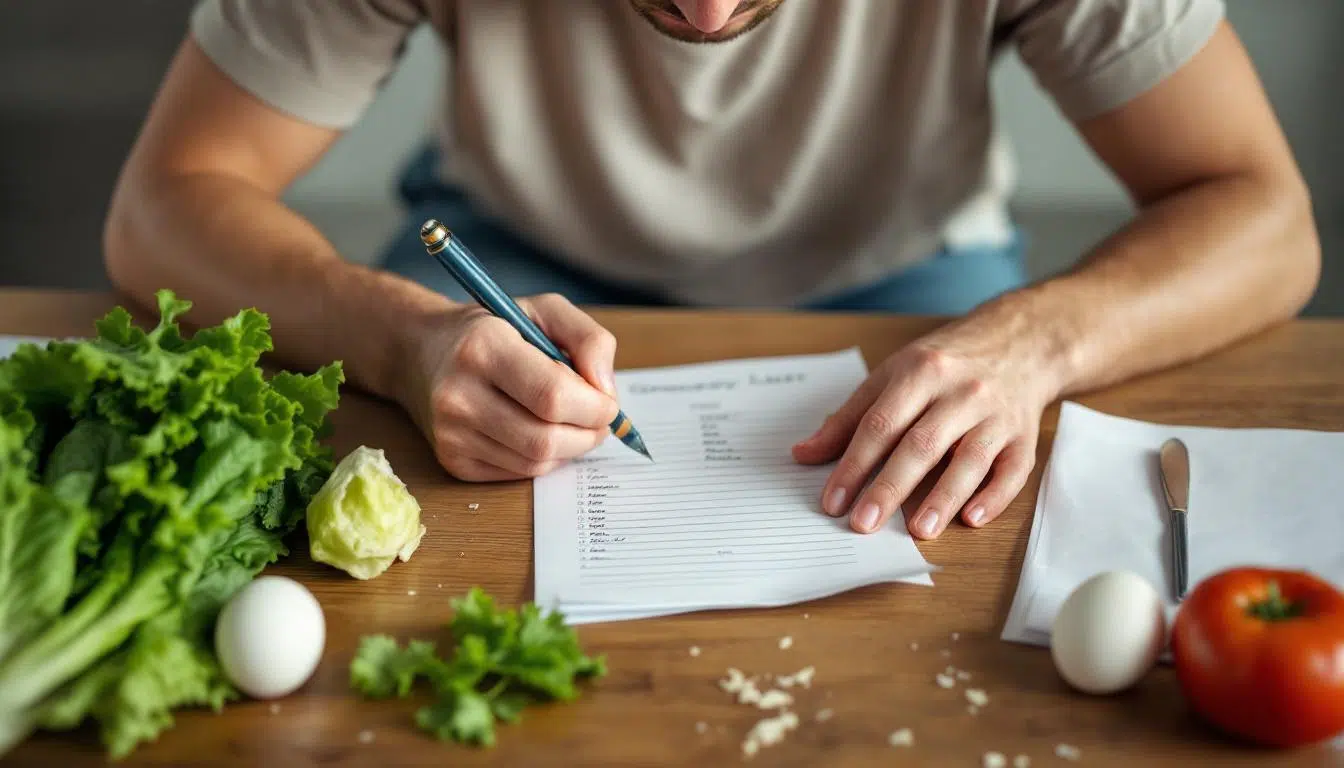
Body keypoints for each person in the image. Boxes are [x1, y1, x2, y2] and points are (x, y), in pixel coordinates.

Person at [103, 0, 1319, 542]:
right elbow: (163, 205)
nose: (706, 12)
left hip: (914, 282)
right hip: (506, 266)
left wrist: (1036, 342)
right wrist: (398, 338)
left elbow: (1265, 219)